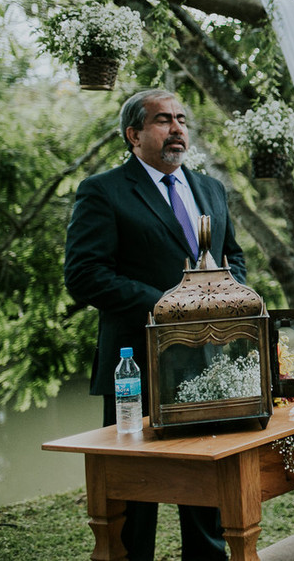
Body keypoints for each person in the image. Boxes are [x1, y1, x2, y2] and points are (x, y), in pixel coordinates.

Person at [65, 89, 245, 561]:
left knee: (207, 496)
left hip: (209, 366)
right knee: (134, 501)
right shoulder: (103, 190)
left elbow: (233, 258)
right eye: (163, 120)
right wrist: (171, 304)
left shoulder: (210, 188)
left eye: (181, 118)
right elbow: (85, 276)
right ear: (134, 134)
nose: (177, 128)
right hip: (136, 369)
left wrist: (228, 295)